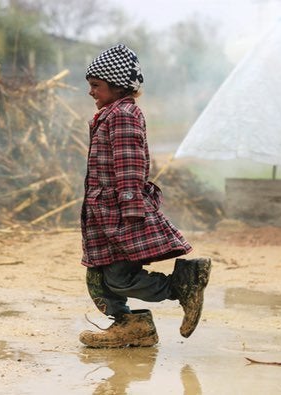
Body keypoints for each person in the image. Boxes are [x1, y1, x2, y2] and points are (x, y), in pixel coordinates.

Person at [79, 44, 211, 348]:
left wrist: (130, 210)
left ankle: (181, 285)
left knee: (119, 279)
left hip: (119, 213)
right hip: (104, 213)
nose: (91, 92)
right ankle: (132, 326)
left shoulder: (123, 116)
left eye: (95, 86)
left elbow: (129, 164)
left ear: (117, 85)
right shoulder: (110, 114)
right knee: (98, 279)